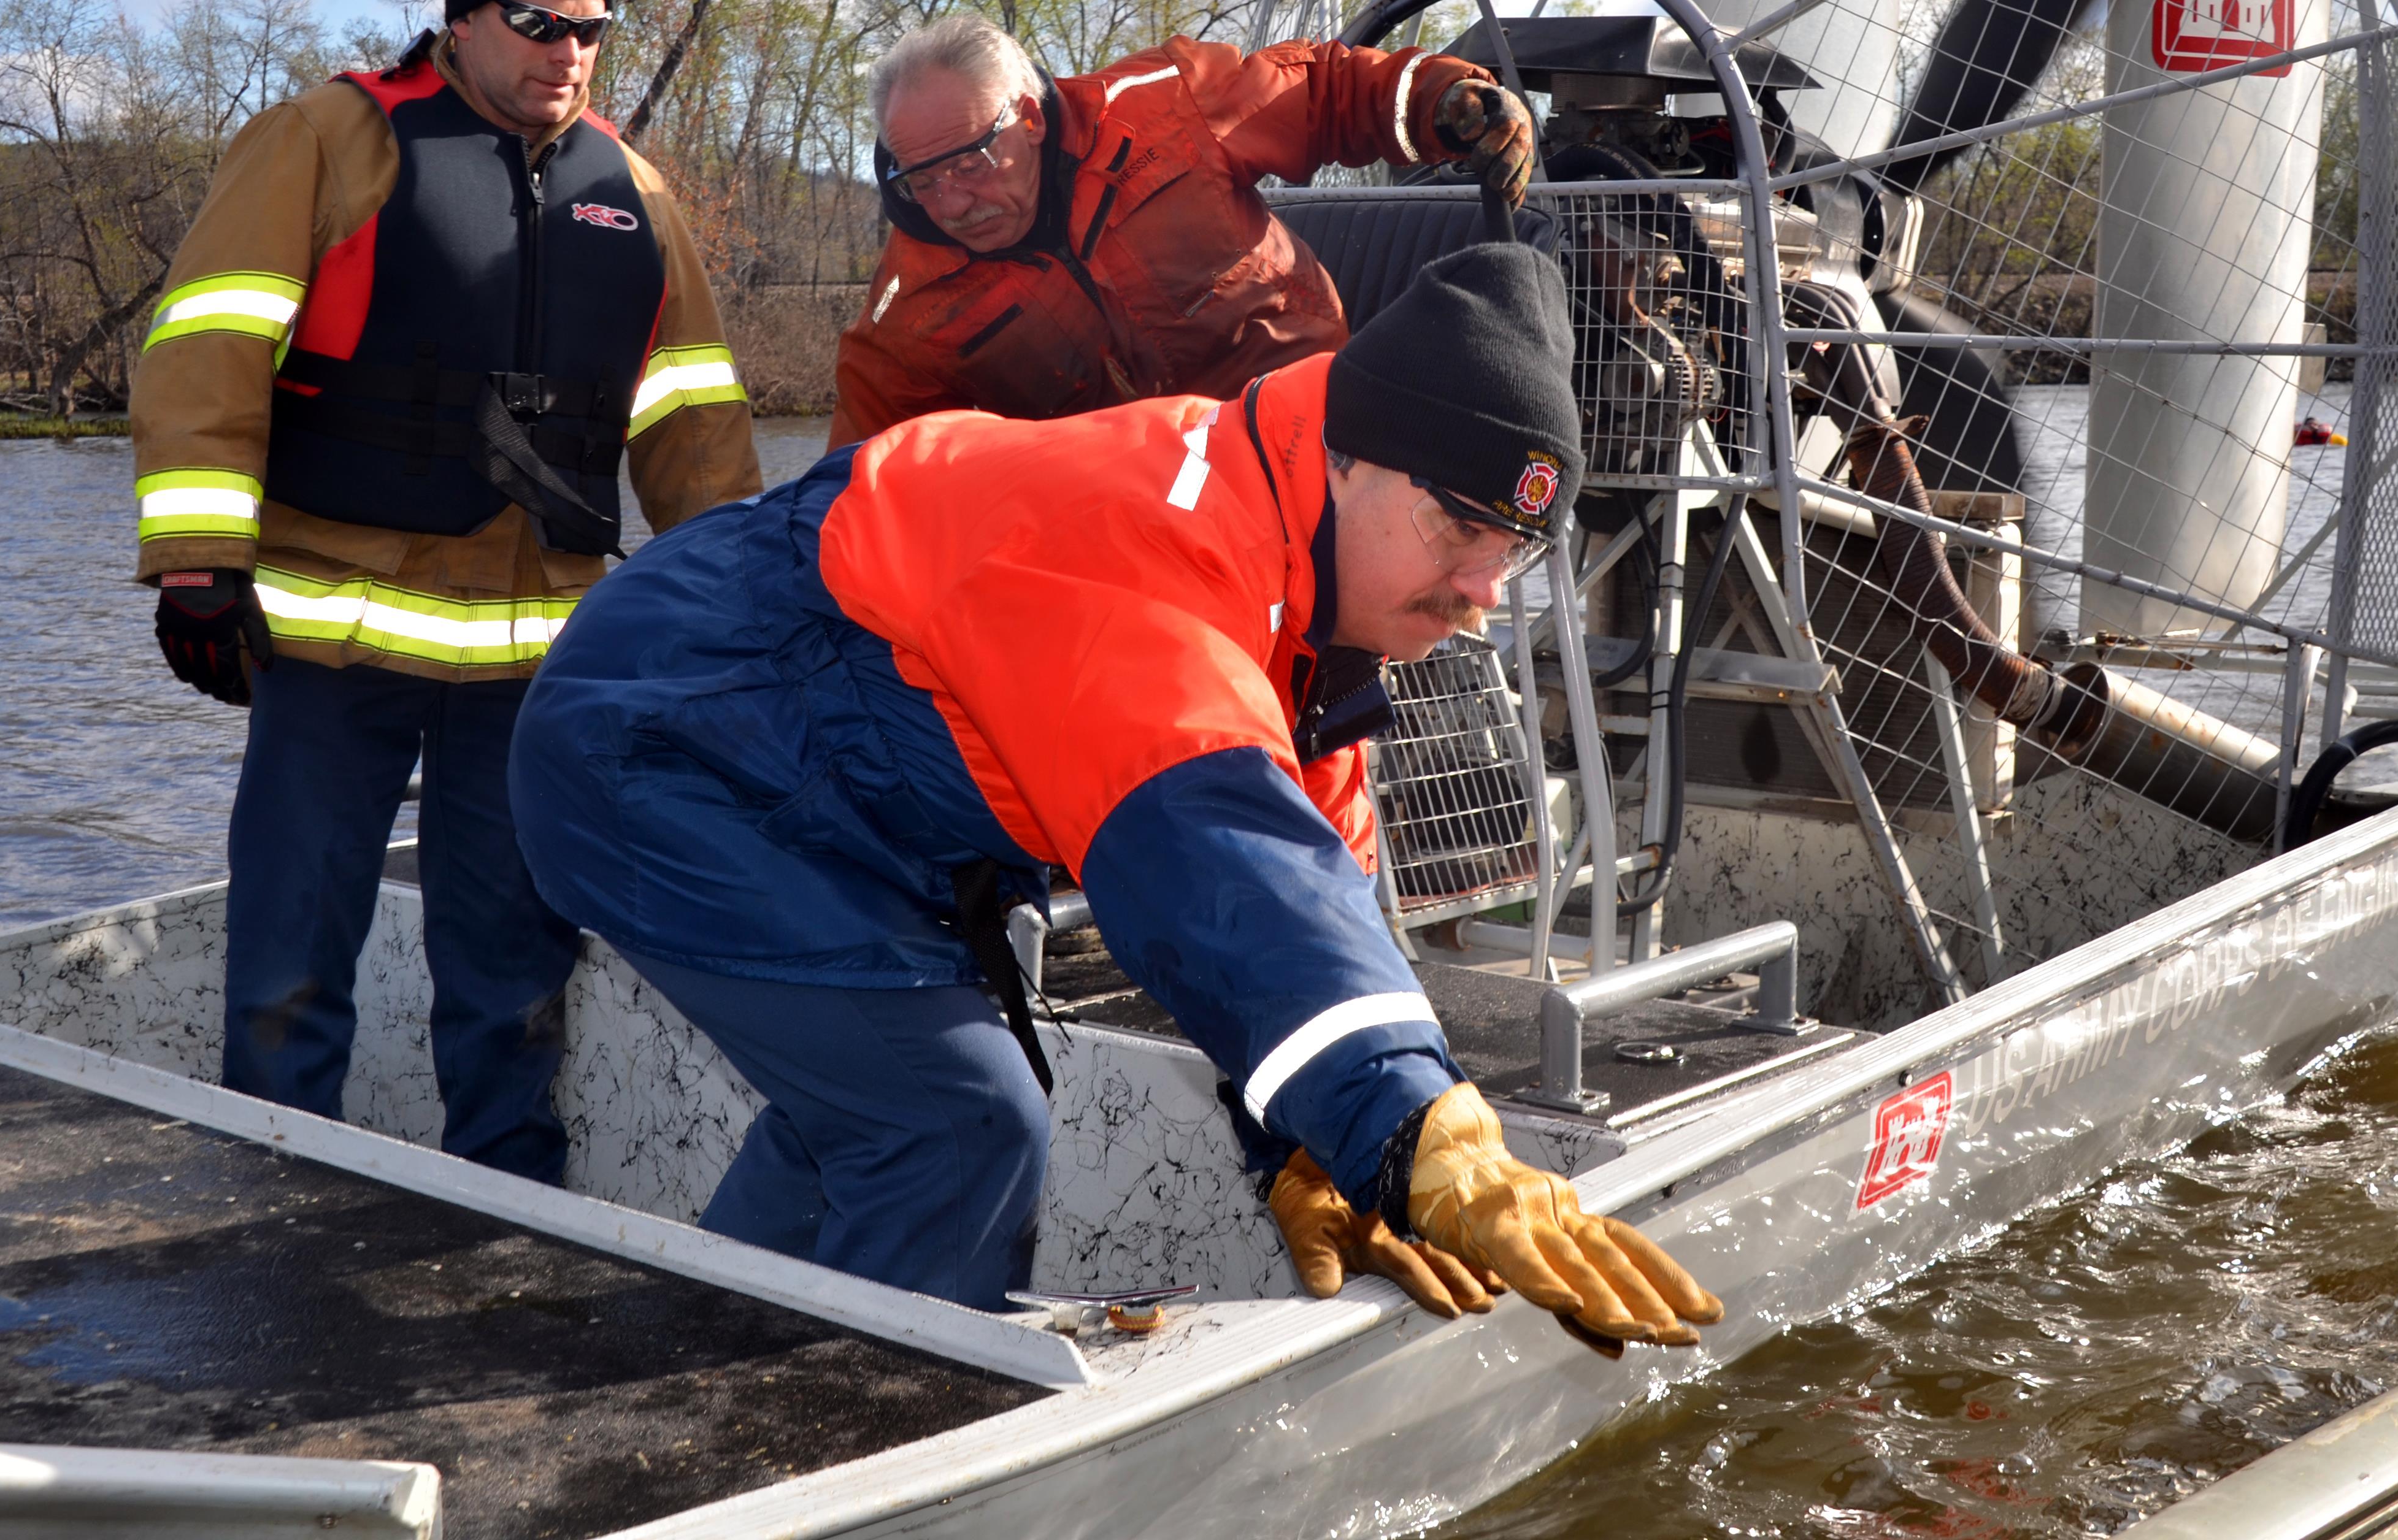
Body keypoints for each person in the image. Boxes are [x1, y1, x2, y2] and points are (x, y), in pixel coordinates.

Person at [513, 243, 1721, 1353]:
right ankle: (833, 1457)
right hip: (661, 738)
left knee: (886, 1109)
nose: (1478, 593)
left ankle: (686, 1372)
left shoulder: (1311, 614)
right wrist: (1423, 1140)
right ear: (1348, 459)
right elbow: (1218, 865)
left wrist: (1319, 1152)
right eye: (1458, 528)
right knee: (948, 1125)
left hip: (823, 807)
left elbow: (1311, 915)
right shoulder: (1160, 535)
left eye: (1510, 555)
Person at [130, 0, 762, 1182]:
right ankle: (275, 1176)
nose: (569, 53)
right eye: (540, 23)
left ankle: (508, 1201)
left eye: (590, 28)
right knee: (294, 949)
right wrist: (196, 564)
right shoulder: (329, 142)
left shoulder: (632, 197)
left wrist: (741, 620)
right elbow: (208, 344)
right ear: (464, 21)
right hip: (328, 645)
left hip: (533, 672)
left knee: (514, 965)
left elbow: (694, 423)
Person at [825, 13, 1537, 445]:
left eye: (972, 163)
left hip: (1315, 432)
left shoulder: (1164, 108)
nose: (951, 202)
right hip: (1132, 512)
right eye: (922, 179)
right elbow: (863, 474)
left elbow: (1323, 91)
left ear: (1030, 119)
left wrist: (1444, 101)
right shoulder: (909, 306)